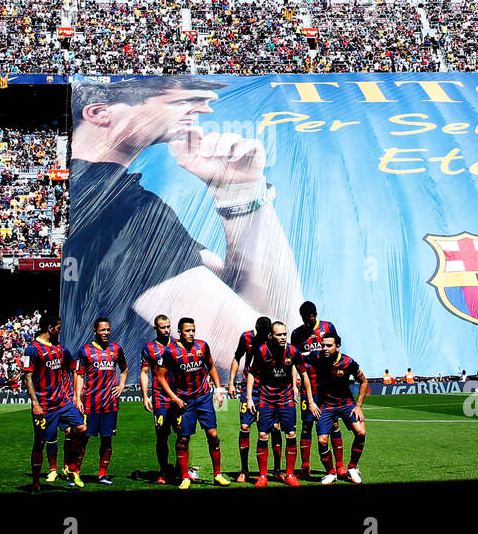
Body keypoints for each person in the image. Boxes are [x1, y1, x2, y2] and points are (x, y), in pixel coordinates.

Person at [65, 76, 304, 359]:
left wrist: (239, 191)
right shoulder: (123, 213)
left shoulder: (107, 200)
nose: (205, 109)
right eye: (184, 100)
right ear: (99, 113)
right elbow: (273, 354)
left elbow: (275, 318)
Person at [154, 317, 230, 489]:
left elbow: (211, 366)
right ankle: (184, 477)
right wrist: (174, 397)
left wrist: (218, 390)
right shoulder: (170, 351)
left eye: (193, 330)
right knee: (183, 439)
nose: (191, 334)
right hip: (184, 402)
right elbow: (160, 376)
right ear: (179, 332)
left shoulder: (202, 346)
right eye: (187, 331)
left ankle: (217, 474)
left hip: (203, 397)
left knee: (213, 435)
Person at [22, 314, 87, 492]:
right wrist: (35, 403)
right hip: (44, 405)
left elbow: (74, 368)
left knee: (81, 428)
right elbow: (27, 377)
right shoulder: (32, 350)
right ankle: (36, 481)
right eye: (58, 328)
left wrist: (74, 395)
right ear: (50, 328)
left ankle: (70, 466)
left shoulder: (60, 348)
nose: (60, 331)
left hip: (62, 402)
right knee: (40, 443)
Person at [302, 333, 368, 484]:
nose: (325, 348)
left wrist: (358, 406)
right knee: (322, 440)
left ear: (337, 347)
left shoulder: (348, 362)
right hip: (327, 405)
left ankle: (352, 467)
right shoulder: (316, 356)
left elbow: (363, 382)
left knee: (361, 432)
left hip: (346, 403)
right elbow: (296, 356)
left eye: (329, 345)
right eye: (323, 345)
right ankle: (331, 473)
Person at [73, 318, 128, 486]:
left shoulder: (116, 349)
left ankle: (102, 474)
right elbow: (79, 374)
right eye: (102, 330)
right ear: (95, 331)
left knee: (107, 439)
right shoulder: (85, 351)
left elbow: (124, 368)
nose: (106, 333)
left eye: (108, 330)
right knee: (83, 439)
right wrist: (78, 397)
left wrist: (121, 385)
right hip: (90, 402)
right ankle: (76, 473)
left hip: (110, 403)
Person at [246, 321, 301, 487]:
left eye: (285, 334)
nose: (283, 337)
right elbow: (252, 374)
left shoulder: (293, 351)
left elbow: (295, 368)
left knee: (290, 434)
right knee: (263, 435)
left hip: (285, 399)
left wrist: (295, 387)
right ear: (271, 336)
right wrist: (249, 398)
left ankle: (290, 474)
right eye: (279, 334)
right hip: (266, 399)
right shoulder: (262, 351)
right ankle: (263, 476)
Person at [290, 301, 340, 479]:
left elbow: (336, 352)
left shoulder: (328, 327)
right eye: (305, 319)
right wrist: (294, 383)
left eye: (311, 319)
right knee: (306, 425)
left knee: (333, 423)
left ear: (315, 315)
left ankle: (340, 466)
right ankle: (305, 466)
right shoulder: (297, 334)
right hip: (308, 386)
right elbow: (294, 360)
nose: (309, 323)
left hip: (328, 386)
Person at [227, 316, 272, 483]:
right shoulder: (246, 337)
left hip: (269, 389)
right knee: (245, 426)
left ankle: (272, 471)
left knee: (273, 429)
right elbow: (237, 357)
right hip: (249, 389)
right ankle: (244, 470)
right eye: (262, 334)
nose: (265, 338)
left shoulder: (272, 338)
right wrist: (231, 383)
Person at [140, 314, 180, 484]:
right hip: (160, 398)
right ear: (155, 328)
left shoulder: (179, 344)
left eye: (168, 326)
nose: (166, 330)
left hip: (179, 397)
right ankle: (164, 471)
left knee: (182, 433)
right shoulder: (149, 348)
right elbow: (144, 373)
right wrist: (145, 396)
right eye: (162, 327)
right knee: (162, 435)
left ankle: (180, 469)